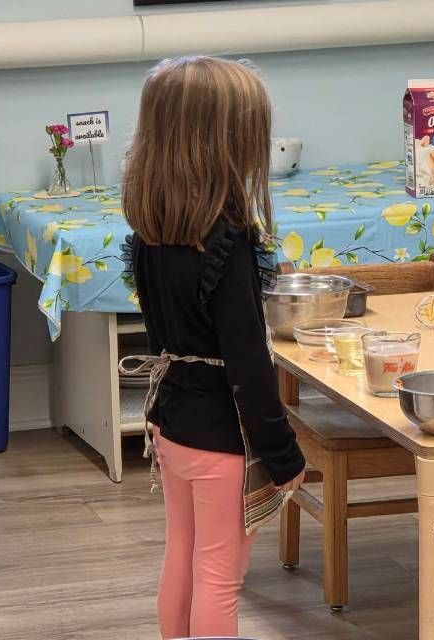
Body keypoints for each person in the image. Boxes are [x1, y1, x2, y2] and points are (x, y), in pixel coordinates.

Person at [119, 55, 306, 640]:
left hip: (170, 424)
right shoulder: (229, 246)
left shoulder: (150, 233)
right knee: (219, 577)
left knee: (183, 553)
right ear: (229, 143)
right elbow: (250, 366)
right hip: (222, 440)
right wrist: (283, 456)